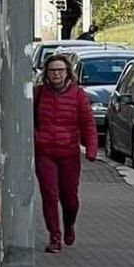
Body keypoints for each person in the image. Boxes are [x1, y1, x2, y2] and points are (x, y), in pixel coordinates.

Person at [31, 53, 98, 254]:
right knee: (49, 195)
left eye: (60, 70)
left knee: (70, 199)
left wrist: (92, 149)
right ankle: (54, 236)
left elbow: (87, 123)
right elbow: (27, 119)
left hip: (69, 153)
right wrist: (35, 137)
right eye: (52, 71)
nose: (56, 74)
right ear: (46, 73)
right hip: (45, 152)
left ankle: (69, 225)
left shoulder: (78, 95)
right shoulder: (38, 94)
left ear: (68, 72)